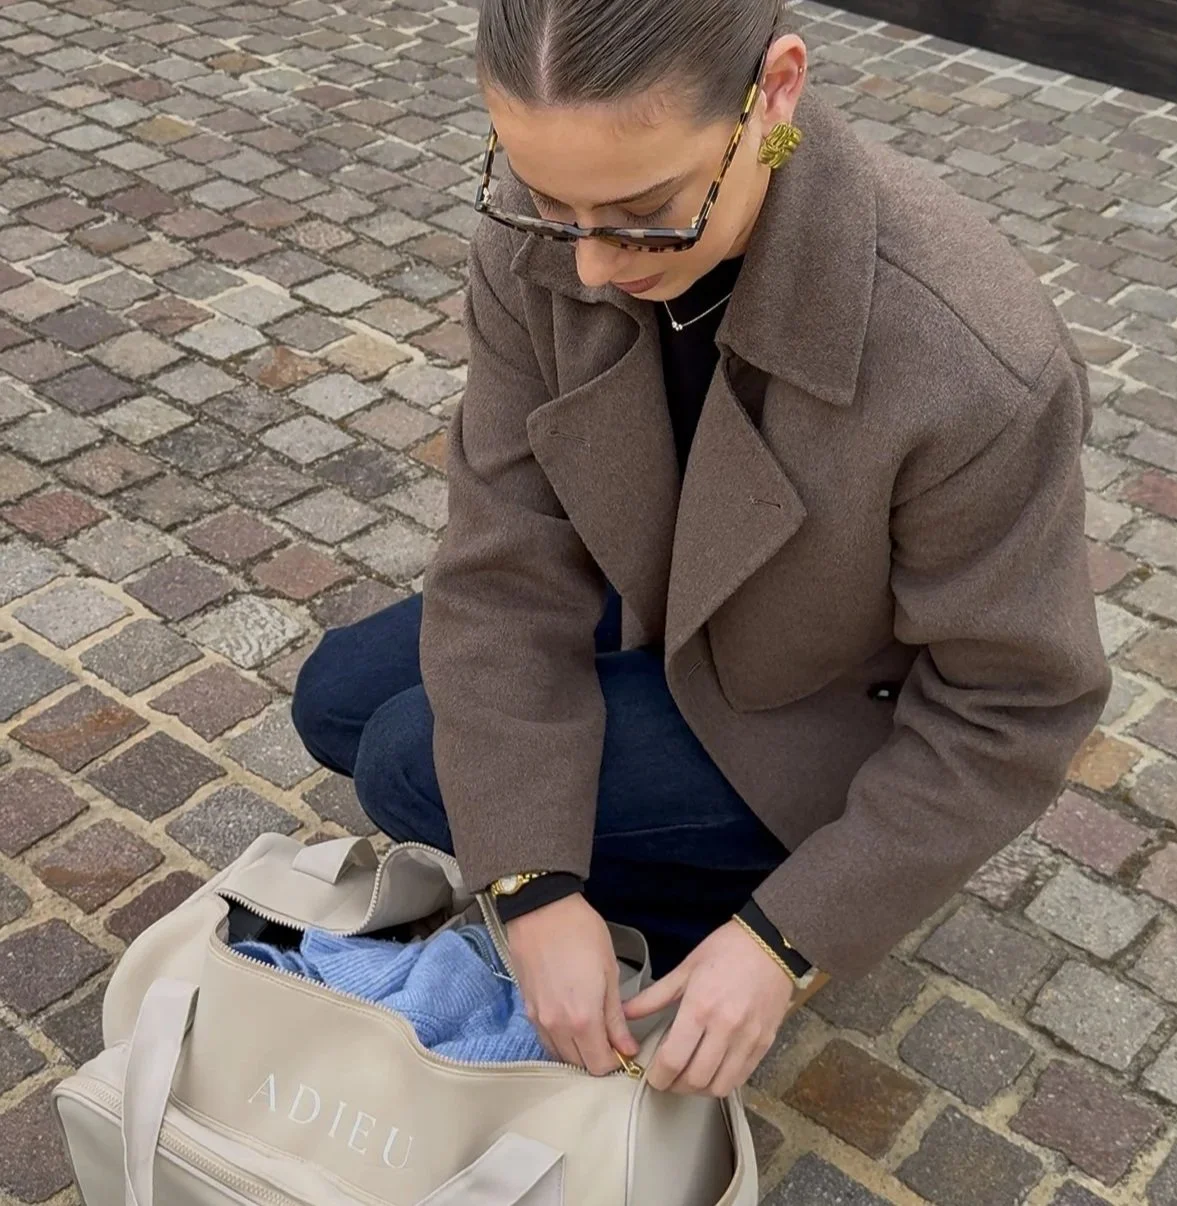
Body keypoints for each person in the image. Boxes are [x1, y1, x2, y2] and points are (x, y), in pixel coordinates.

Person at [292, 0, 1109, 1100]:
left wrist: (785, 939)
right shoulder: (551, 239)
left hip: (824, 702)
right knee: (340, 698)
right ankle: (617, 855)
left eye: (644, 212)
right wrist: (532, 884)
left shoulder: (968, 357)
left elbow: (1015, 708)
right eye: (546, 203)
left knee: (407, 757)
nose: (588, 268)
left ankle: (719, 896)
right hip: (660, 597)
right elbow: (504, 554)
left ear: (775, 91)